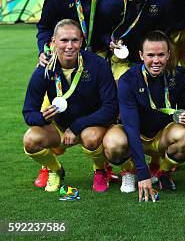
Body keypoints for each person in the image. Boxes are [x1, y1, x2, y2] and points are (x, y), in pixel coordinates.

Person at [23, 19, 118, 193]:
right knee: (30, 140)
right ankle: (55, 169)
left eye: (74, 40)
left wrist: (77, 126)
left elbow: (111, 108)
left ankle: (100, 170)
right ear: (53, 42)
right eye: (64, 40)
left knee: (90, 137)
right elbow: (28, 112)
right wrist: (42, 117)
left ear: (81, 42)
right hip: (59, 128)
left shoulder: (98, 65)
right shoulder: (44, 70)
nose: (69, 46)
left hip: (90, 126)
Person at [104, 31, 185, 198]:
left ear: (168, 55)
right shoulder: (128, 80)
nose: (156, 60)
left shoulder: (178, 74)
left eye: (161, 55)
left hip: (162, 136)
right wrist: (142, 172)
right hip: (135, 133)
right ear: (141, 55)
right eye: (150, 55)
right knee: (113, 142)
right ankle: (130, 171)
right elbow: (130, 126)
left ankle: (163, 172)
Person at [99, 0, 174, 81]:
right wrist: (109, 42)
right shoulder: (110, 4)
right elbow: (102, 32)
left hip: (153, 56)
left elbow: (165, 32)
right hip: (122, 57)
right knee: (122, 85)